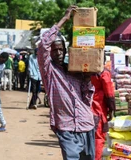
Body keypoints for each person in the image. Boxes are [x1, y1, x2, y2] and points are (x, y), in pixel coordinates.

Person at [37, 5, 95, 160]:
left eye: (61, 49)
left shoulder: (74, 71)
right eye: (54, 50)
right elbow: (43, 45)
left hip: (86, 123)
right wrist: (64, 19)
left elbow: (86, 97)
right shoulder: (49, 71)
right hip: (65, 126)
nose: (58, 53)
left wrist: (87, 80)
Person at [91, 68, 115, 160]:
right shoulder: (103, 72)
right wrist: (111, 108)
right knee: (98, 137)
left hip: (83, 107)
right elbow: (109, 91)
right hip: (97, 107)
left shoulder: (79, 69)